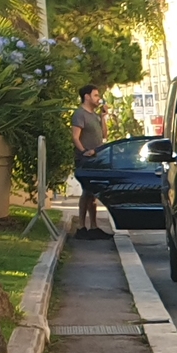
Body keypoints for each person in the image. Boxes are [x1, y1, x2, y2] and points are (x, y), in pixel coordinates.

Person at [71, 85, 110, 240]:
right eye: (95, 95)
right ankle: (82, 226)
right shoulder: (80, 114)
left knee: (92, 193)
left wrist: (103, 117)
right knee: (87, 191)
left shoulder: (94, 115)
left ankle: (93, 226)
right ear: (87, 97)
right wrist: (84, 151)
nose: (98, 98)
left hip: (96, 158)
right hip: (85, 159)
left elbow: (104, 134)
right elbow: (75, 136)